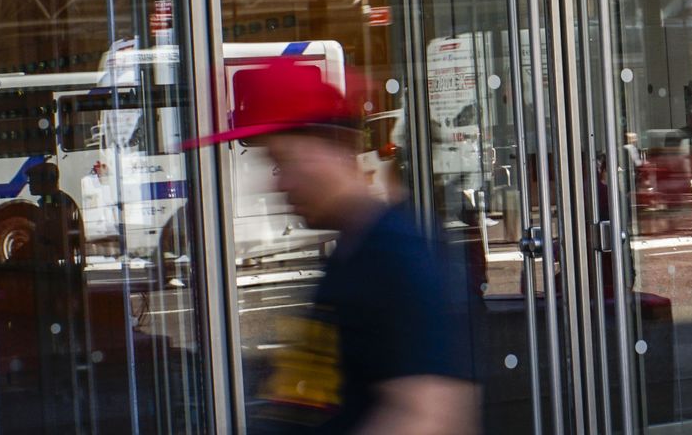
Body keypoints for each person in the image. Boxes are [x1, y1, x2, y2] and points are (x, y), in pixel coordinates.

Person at [190, 57, 477, 434]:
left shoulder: (394, 252)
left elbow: (430, 415)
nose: (278, 183)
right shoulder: (353, 250)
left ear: (338, 145)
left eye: (285, 160)